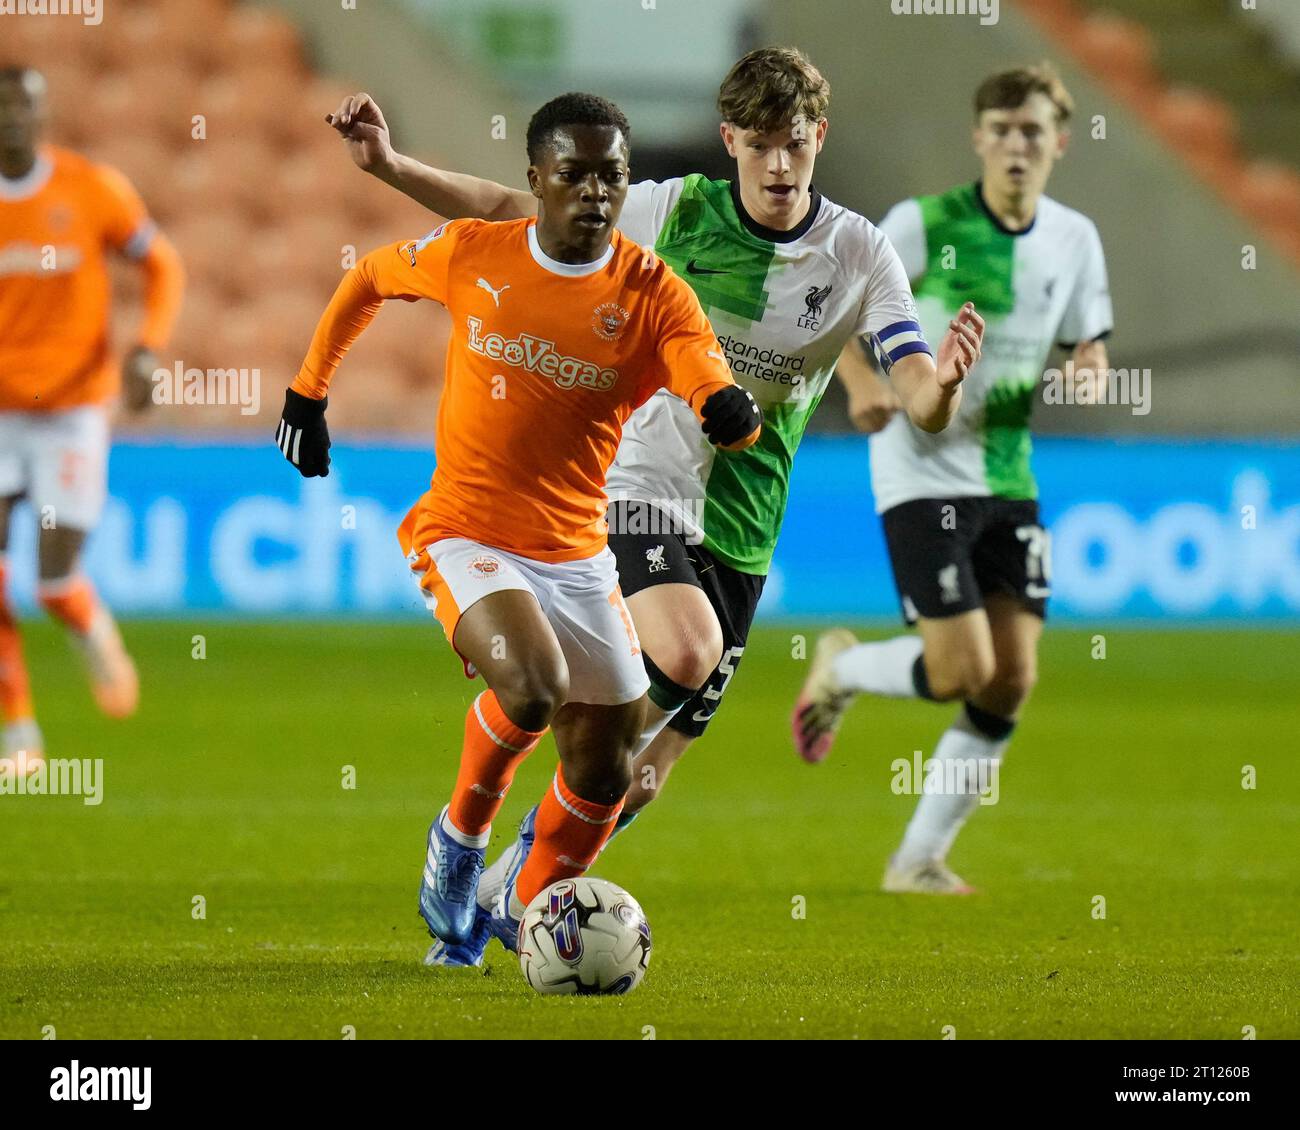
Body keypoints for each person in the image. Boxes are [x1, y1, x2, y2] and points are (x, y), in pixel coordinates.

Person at [322, 49, 984, 961]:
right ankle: (510, 871)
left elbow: (915, 384)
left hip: (745, 532)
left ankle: (497, 894)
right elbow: (508, 212)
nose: (780, 166)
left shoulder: (859, 252)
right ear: (731, 143)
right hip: (639, 489)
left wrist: (942, 388)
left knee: (633, 778)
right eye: (760, 146)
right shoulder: (674, 210)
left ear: (819, 138)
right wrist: (394, 168)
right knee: (681, 647)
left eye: (795, 144)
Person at [275, 93, 761, 959]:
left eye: (611, 174)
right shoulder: (475, 252)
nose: (594, 192)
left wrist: (729, 410)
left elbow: (707, 378)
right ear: (535, 180)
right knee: (532, 689)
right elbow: (369, 278)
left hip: (576, 553)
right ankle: (458, 844)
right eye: (572, 174)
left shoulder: (652, 293)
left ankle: (522, 917)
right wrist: (307, 395)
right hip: (463, 529)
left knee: (605, 765)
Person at [796, 63, 1113, 894]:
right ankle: (847, 669)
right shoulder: (921, 223)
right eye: (1002, 130)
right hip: (920, 465)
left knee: (1012, 678)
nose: (1017, 145)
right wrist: (864, 386)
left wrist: (1090, 365)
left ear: (1058, 144)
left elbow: (1089, 339)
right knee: (957, 673)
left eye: (1032, 131)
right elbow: (832, 306)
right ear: (979, 138)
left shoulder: (1075, 239)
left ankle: (917, 861)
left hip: (1009, 472)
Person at [0, 66, 184, 765]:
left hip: (70, 411)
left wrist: (148, 349)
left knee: (51, 582)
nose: (13, 120)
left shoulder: (90, 188)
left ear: (42, 115)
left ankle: (91, 626)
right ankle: (19, 730)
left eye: (25, 107)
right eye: (2, 108)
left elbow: (163, 264)